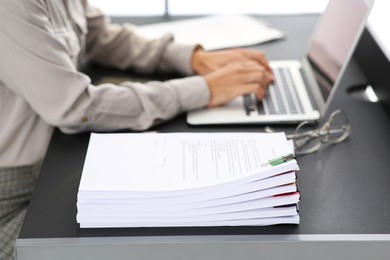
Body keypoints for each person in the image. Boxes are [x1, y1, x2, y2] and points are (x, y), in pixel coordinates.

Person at [0, 1, 274, 259]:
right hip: (13, 196)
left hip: (52, 163)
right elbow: (75, 108)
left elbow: (100, 38)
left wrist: (192, 59)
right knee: (152, 235)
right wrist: (204, 89)